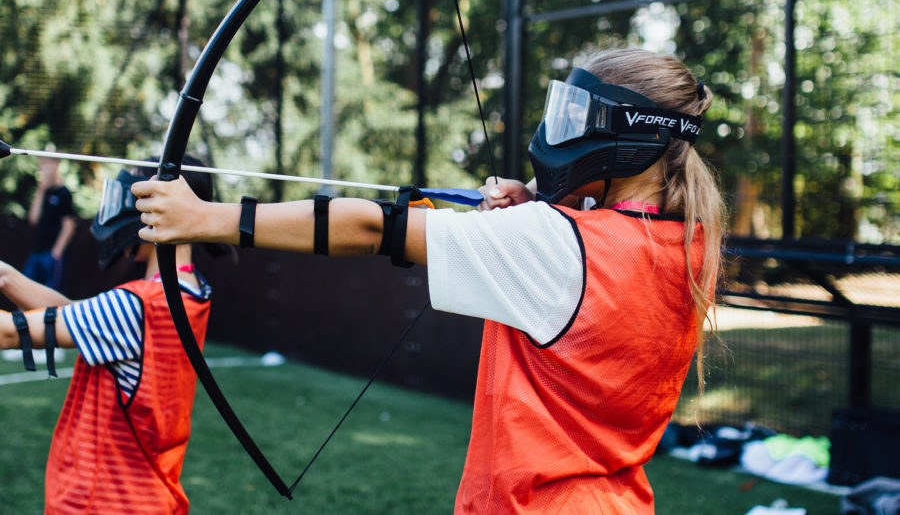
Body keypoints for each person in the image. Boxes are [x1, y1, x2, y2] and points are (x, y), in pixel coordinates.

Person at [132, 48, 725, 514]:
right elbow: (606, 245)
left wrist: (204, 218)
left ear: (632, 133)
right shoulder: (692, 246)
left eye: (581, 117)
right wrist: (546, 206)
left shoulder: (556, 244)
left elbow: (371, 228)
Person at [0, 155, 217, 515]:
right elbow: (81, 316)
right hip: (147, 500)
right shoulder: (189, 291)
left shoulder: (139, 305)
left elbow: (8, 334)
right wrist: (6, 278)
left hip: (99, 502)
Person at [23, 155, 77, 291]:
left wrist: (56, 252)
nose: (42, 168)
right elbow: (33, 219)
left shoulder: (64, 193)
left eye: (46, 163)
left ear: (56, 164)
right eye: (41, 164)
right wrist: (41, 190)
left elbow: (69, 226)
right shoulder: (44, 192)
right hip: (37, 251)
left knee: (51, 292)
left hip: (52, 254)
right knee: (25, 288)